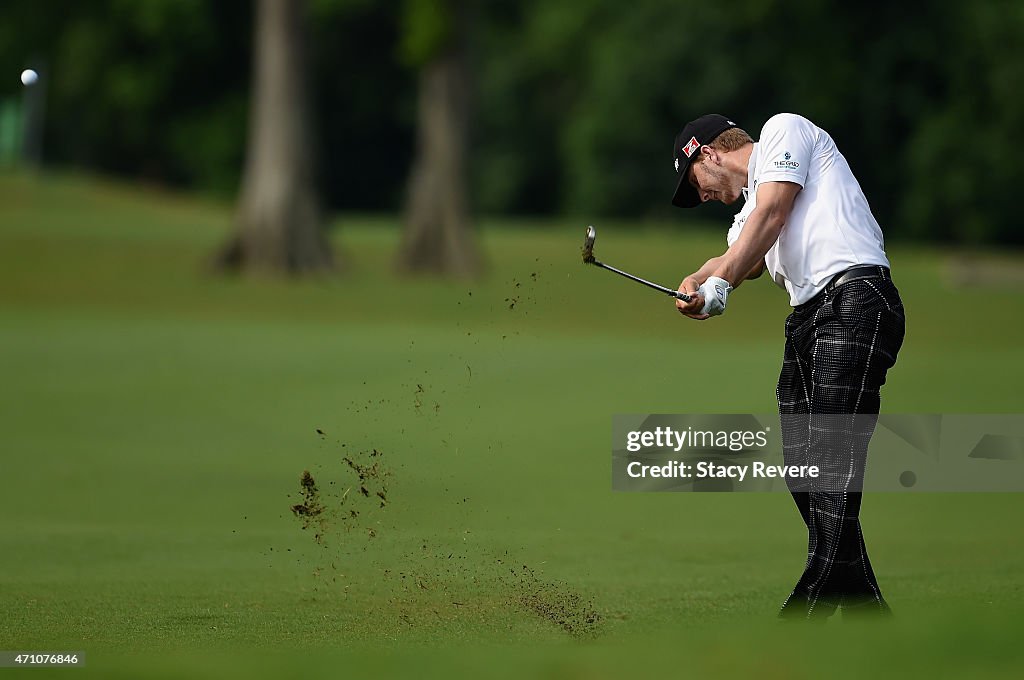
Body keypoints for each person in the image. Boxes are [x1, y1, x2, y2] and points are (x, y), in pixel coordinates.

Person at [670, 113, 906, 620]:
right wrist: (698, 278)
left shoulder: (783, 132)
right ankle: (867, 607)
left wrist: (722, 284)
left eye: (697, 184)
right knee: (804, 469)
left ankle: (808, 607)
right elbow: (743, 255)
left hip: (855, 299)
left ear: (708, 153)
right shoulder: (749, 207)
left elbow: (774, 215)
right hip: (809, 320)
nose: (703, 196)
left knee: (830, 459)